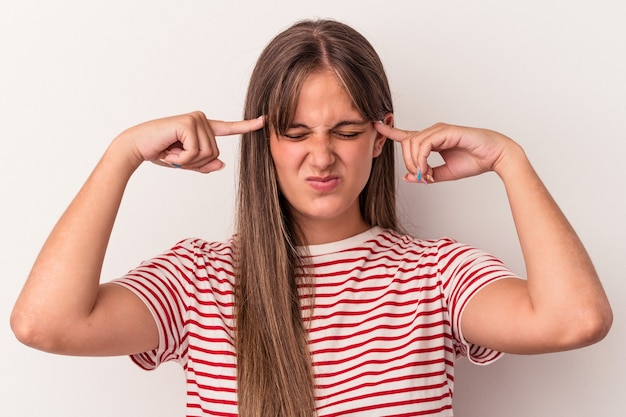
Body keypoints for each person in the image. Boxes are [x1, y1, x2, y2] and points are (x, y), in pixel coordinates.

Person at [11, 19, 612, 417]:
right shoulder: (201, 280)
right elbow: (44, 324)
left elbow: (575, 320)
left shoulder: (435, 274)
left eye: (346, 132)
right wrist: (123, 154)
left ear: (380, 137)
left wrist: (511, 161)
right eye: (295, 133)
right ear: (263, 141)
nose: (321, 157)